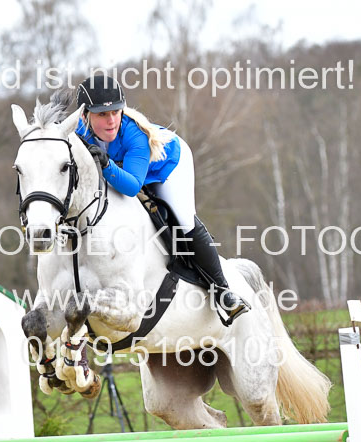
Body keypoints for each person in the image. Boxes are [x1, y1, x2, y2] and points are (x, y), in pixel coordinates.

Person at [74, 73, 248, 322]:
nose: (111, 121)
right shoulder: (78, 133)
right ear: (85, 116)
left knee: (183, 220)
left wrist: (106, 165)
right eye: (102, 114)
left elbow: (132, 186)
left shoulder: (134, 135)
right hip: (129, 170)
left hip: (167, 166)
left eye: (116, 112)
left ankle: (223, 292)